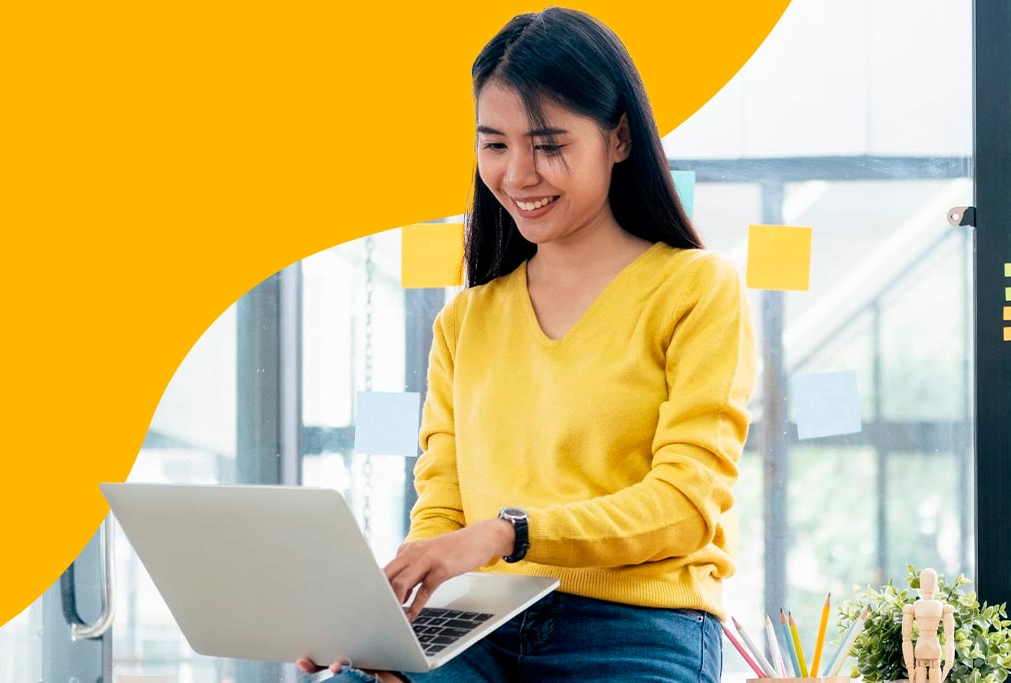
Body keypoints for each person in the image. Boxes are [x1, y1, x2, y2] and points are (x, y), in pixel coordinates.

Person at [297, 7, 757, 682]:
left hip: (636, 629)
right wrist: (385, 625)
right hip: (475, 624)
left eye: (548, 144)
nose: (518, 174)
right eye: (495, 145)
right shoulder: (467, 321)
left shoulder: (696, 288)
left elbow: (685, 507)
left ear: (619, 138)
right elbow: (442, 508)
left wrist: (507, 532)